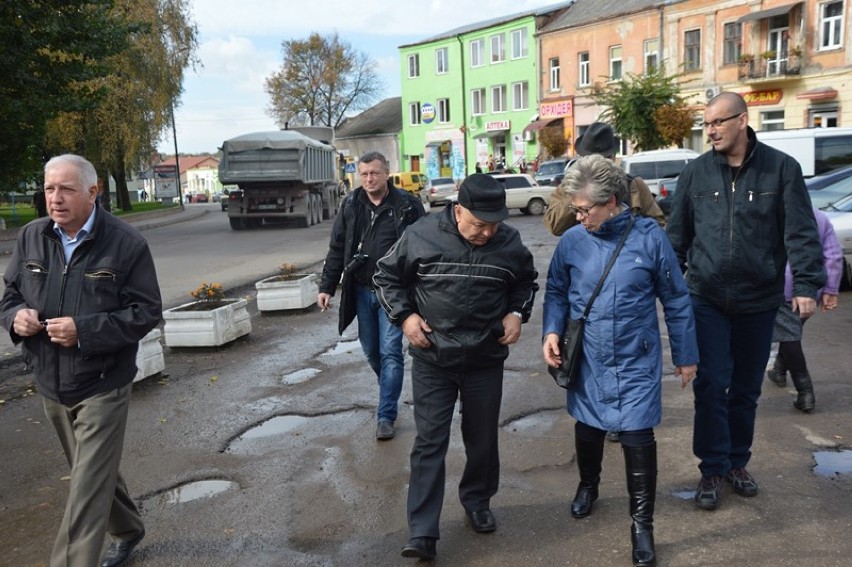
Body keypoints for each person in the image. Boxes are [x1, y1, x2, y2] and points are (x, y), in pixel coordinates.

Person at [0, 154, 162, 567]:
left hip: (102, 383)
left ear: (93, 192)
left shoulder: (126, 244)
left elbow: (145, 312)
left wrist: (84, 331)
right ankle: (127, 528)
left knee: (85, 489)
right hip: (51, 382)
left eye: (67, 189)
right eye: (50, 188)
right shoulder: (33, 236)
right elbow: (9, 295)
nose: (55, 198)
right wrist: (15, 317)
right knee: (91, 469)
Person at [666, 92, 825, 511]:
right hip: (707, 298)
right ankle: (712, 469)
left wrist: (807, 285)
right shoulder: (696, 173)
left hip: (759, 300)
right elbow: (676, 238)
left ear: (742, 120)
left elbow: (801, 233)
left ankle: (738, 463)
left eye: (718, 122)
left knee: (745, 391)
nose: (711, 131)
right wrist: (666, 288)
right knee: (710, 385)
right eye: (707, 124)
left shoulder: (781, 169)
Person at [542, 155, 698, 567]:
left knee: (636, 437)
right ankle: (587, 486)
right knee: (589, 427)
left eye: (583, 209)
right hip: (588, 357)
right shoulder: (573, 241)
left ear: (612, 200)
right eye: (574, 209)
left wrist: (686, 355)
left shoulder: (649, 237)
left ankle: (641, 523)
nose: (578, 217)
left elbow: (676, 297)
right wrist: (551, 331)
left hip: (635, 357)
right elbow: (556, 290)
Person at [373, 173, 538, 561]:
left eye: (494, 224)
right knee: (430, 442)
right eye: (480, 224)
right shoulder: (421, 234)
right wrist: (406, 318)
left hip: (485, 357)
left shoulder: (508, 242)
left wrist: (516, 313)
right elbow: (386, 276)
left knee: (482, 437)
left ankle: (478, 501)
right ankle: (423, 532)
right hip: (433, 357)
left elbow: (526, 283)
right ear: (458, 210)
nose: (487, 232)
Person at [317, 151, 425, 441]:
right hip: (362, 290)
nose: (369, 179)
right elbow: (337, 247)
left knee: (391, 352)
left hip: (395, 293)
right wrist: (327, 286)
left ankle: (385, 415)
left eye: (374, 173)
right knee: (371, 351)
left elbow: (425, 248)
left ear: (386, 173)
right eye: (363, 174)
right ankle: (388, 391)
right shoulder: (351, 204)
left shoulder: (408, 205)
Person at [766, 207, 843, 412]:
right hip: (811, 288)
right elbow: (833, 256)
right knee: (790, 331)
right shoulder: (819, 215)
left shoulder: (772, 210)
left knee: (790, 335)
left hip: (781, 285)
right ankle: (779, 371)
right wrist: (831, 288)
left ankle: (805, 392)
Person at [545, 122, 665, 237]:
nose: (597, 166)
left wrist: (632, 239)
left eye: (603, 159)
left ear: (613, 158)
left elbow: (657, 225)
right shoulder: (570, 186)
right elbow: (555, 227)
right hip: (586, 253)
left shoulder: (633, 185)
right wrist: (575, 191)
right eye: (590, 159)